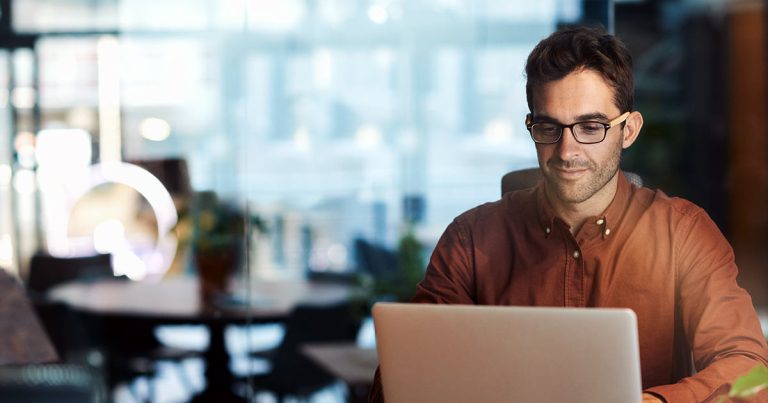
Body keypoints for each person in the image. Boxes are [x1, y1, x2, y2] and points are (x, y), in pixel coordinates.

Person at [369, 26, 768, 403]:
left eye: (590, 127)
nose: (566, 151)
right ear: (531, 127)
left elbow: (750, 370)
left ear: (628, 130)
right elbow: (403, 377)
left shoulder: (682, 234)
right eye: (548, 127)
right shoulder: (471, 240)